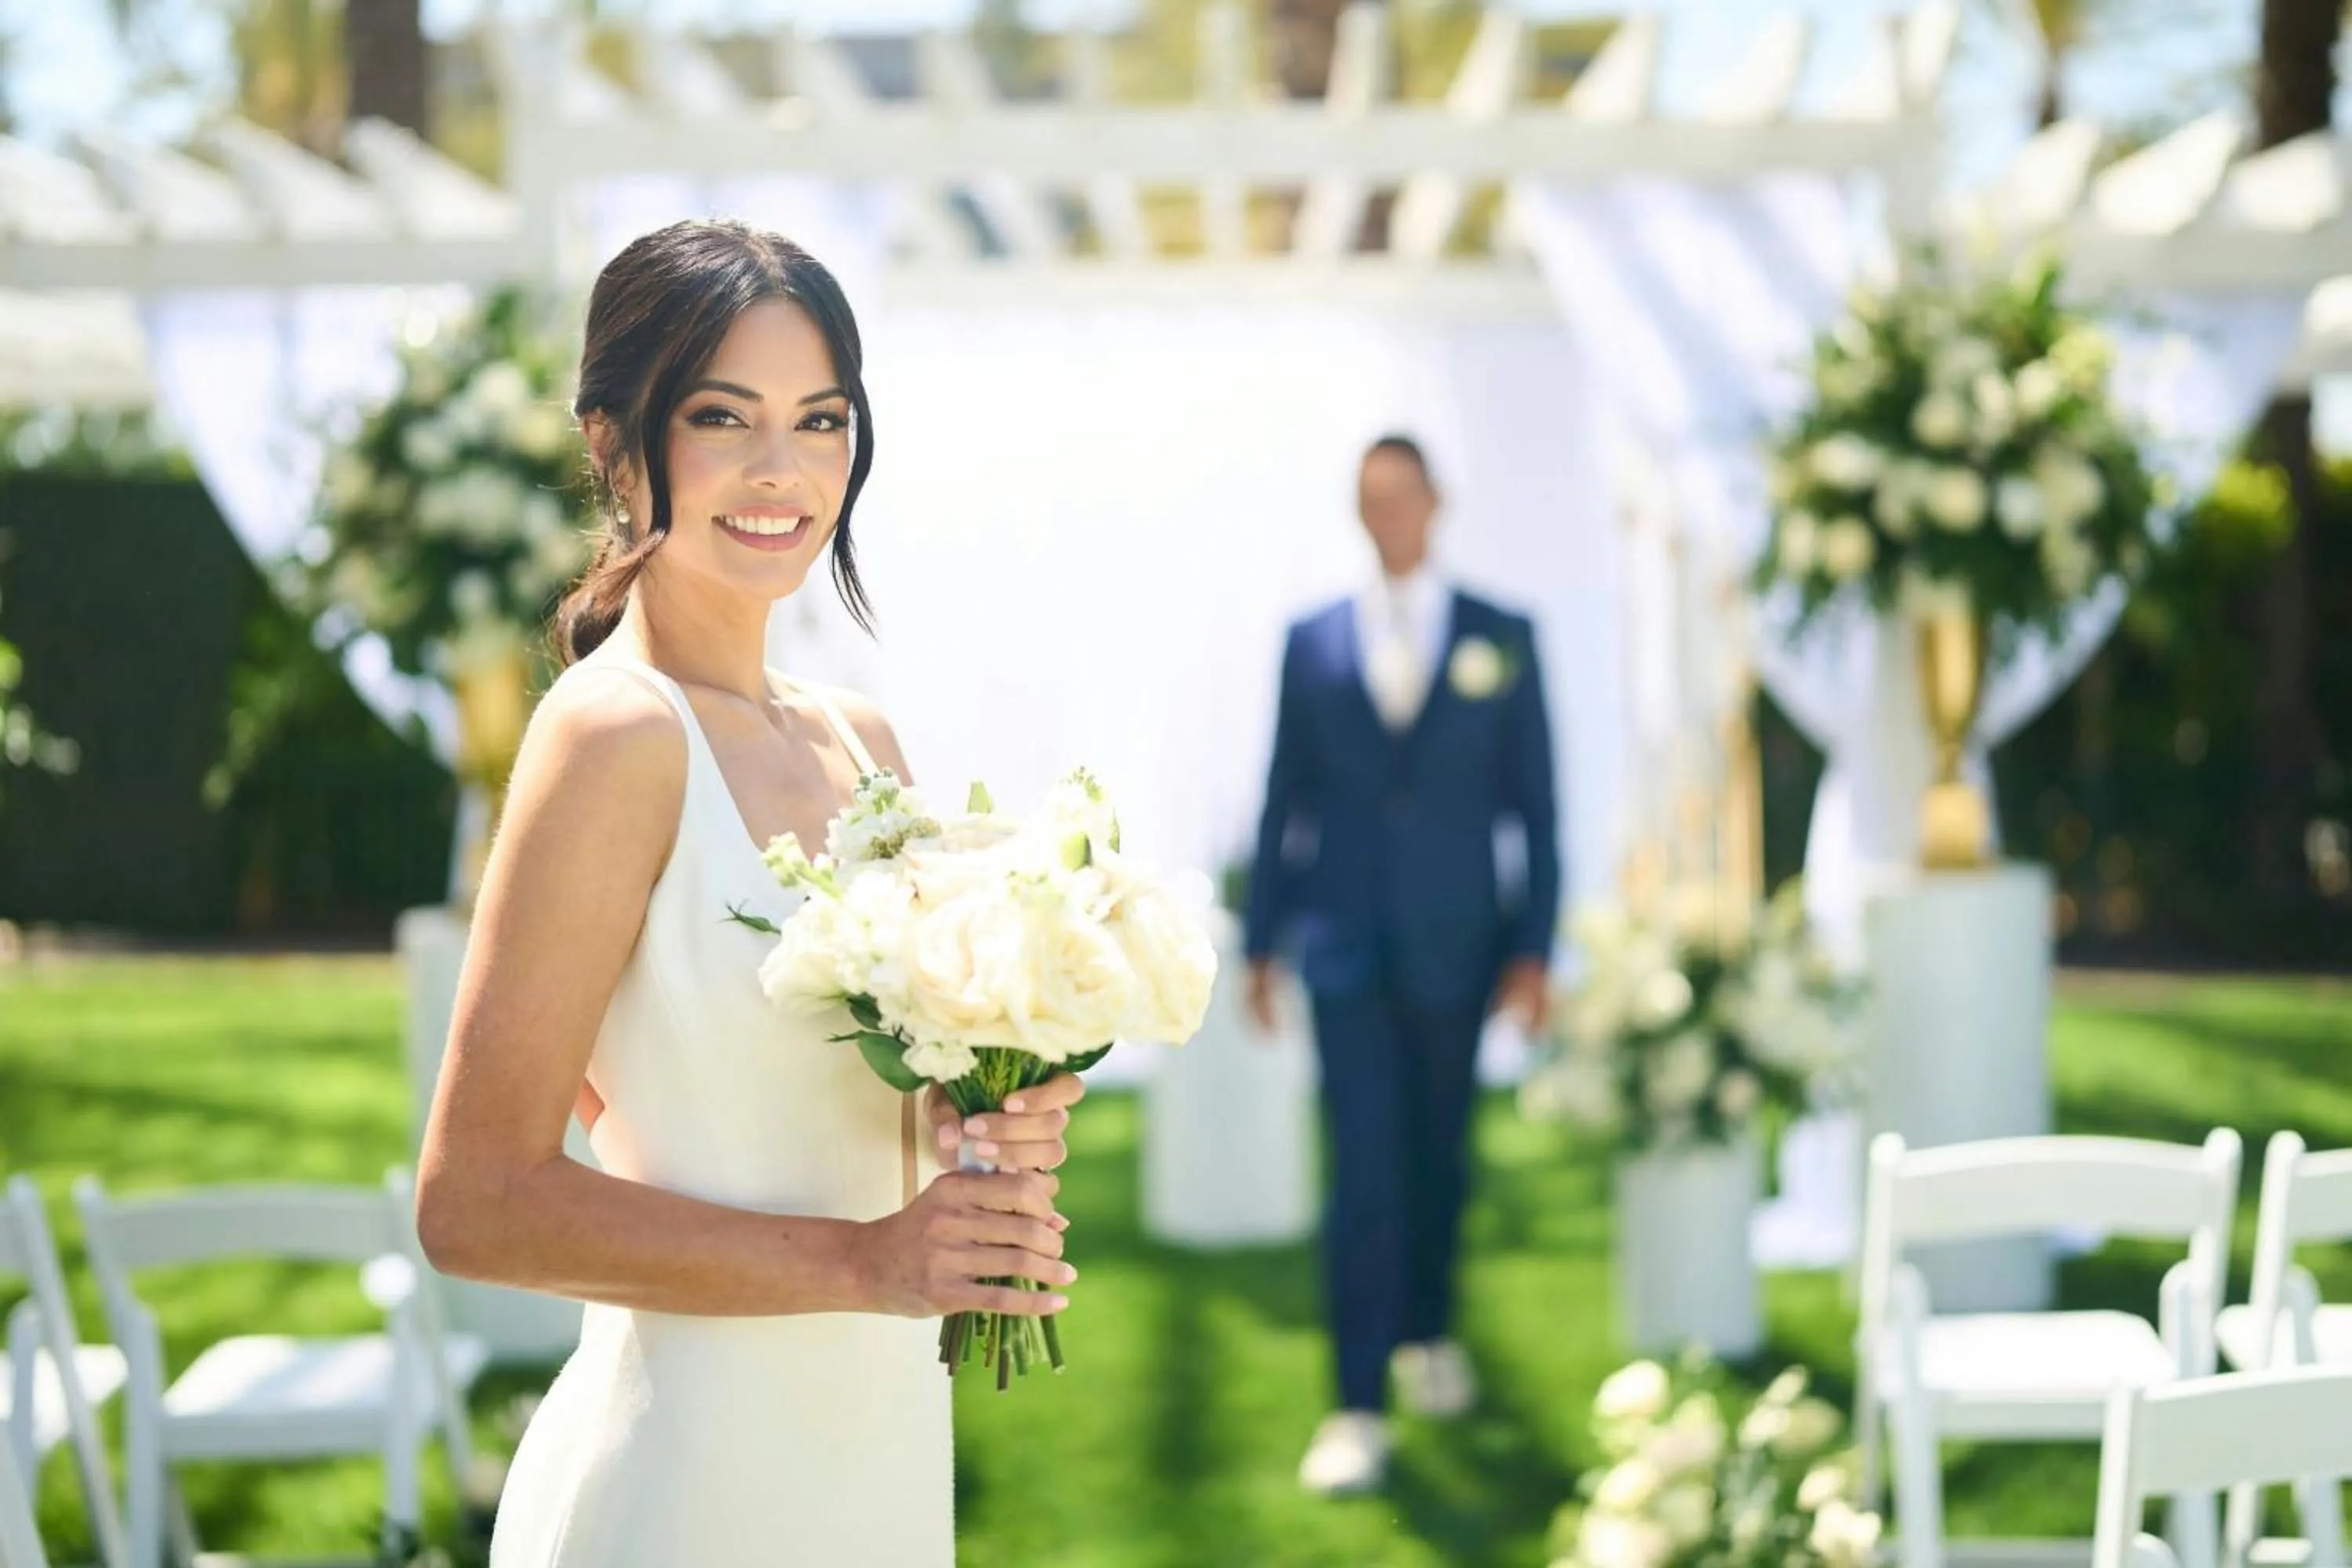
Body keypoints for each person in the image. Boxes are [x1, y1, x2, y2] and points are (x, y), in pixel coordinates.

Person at [415, 220, 1085, 1566]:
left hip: (879, 1464)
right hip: (689, 1480)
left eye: (820, 421)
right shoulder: (614, 738)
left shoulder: (861, 742)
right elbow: (473, 1201)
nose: (783, 469)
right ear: (617, 446)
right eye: (724, 417)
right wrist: (864, 1264)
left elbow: (801, 1100)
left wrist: (986, 1122)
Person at [1244, 434, 1560, 1495]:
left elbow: (1539, 809)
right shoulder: (1312, 640)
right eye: (1370, 497)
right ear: (1358, 510)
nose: (1388, 513)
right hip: (1344, 949)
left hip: (1460, 945)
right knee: (1363, 1170)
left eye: (1403, 494)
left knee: (1440, 1155)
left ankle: (1429, 1331)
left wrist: (1534, 950)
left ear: (1437, 502)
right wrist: (1260, 942)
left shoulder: (1502, 635)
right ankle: (1356, 1403)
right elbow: (1283, 795)